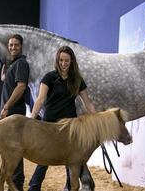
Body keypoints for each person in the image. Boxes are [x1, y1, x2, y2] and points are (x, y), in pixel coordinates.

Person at [28, 46, 96, 191]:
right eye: (61, 60)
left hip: (70, 127)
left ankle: (69, 187)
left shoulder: (77, 80)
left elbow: (88, 102)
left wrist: (97, 119)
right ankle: (34, 187)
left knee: (72, 159)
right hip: (50, 125)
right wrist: (32, 119)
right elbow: (40, 99)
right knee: (44, 158)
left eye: (67, 61)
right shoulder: (49, 77)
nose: (63, 64)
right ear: (57, 61)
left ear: (72, 62)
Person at [0, 34, 30, 191]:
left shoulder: (22, 63)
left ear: (21, 46)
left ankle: (16, 186)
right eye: (10, 45)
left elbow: (21, 86)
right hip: (10, 114)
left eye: (16, 45)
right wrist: (5, 76)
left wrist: (6, 106)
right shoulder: (14, 64)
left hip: (14, 114)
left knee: (15, 152)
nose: (12, 47)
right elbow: (11, 82)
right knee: (9, 152)